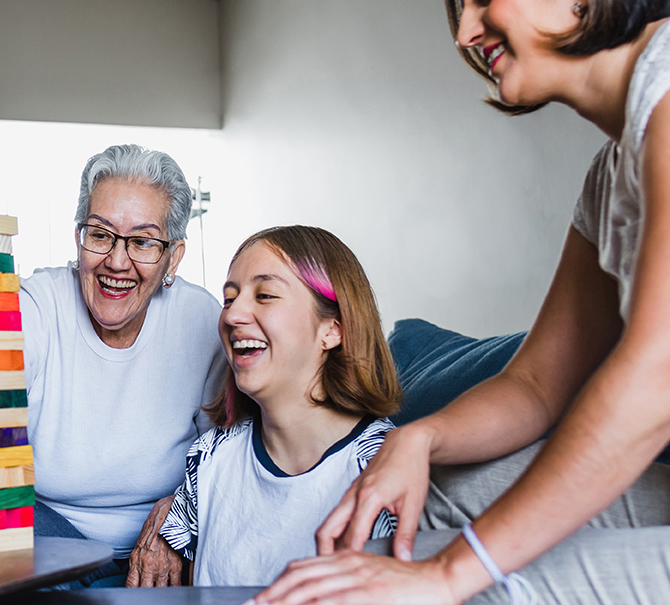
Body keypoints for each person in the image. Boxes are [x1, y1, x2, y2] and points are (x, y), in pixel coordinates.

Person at [255, 1, 670, 603]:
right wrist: (417, 439)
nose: (467, 33)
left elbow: (654, 376)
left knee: (477, 585)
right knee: (413, 524)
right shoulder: (610, 178)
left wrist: (453, 574)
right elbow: (534, 385)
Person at [21, 144, 226, 587]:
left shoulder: (202, 319)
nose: (116, 261)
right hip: (45, 532)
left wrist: (183, 506)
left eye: (143, 242)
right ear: (80, 238)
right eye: (100, 234)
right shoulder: (38, 303)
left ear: (173, 257)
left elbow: (229, 451)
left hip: (165, 537)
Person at [151, 226, 400, 587]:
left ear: (332, 329)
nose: (234, 315)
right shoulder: (208, 458)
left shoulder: (385, 469)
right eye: (229, 299)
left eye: (265, 295)